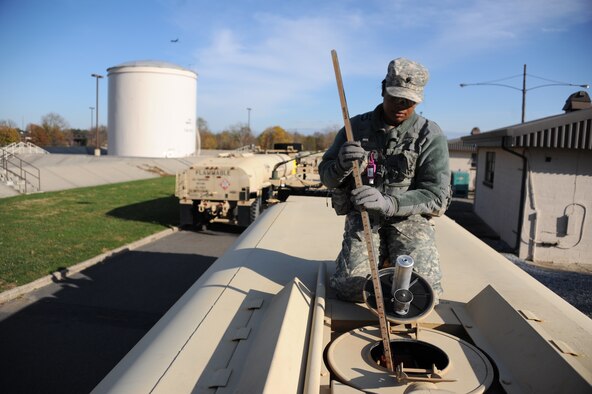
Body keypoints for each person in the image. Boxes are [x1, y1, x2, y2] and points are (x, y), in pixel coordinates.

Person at [319, 57, 451, 303]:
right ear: (382, 90)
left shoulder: (429, 135)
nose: (401, 106)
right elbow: (327, 177)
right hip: (365, 216)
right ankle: (372, 259)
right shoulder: (354, 128)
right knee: (351, 288)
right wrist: (340, 165)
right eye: (395, 97)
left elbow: (437, 196)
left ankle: (389, 257)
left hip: (409, 218)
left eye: (409, 101)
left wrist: (390, 203)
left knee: (423, 291)